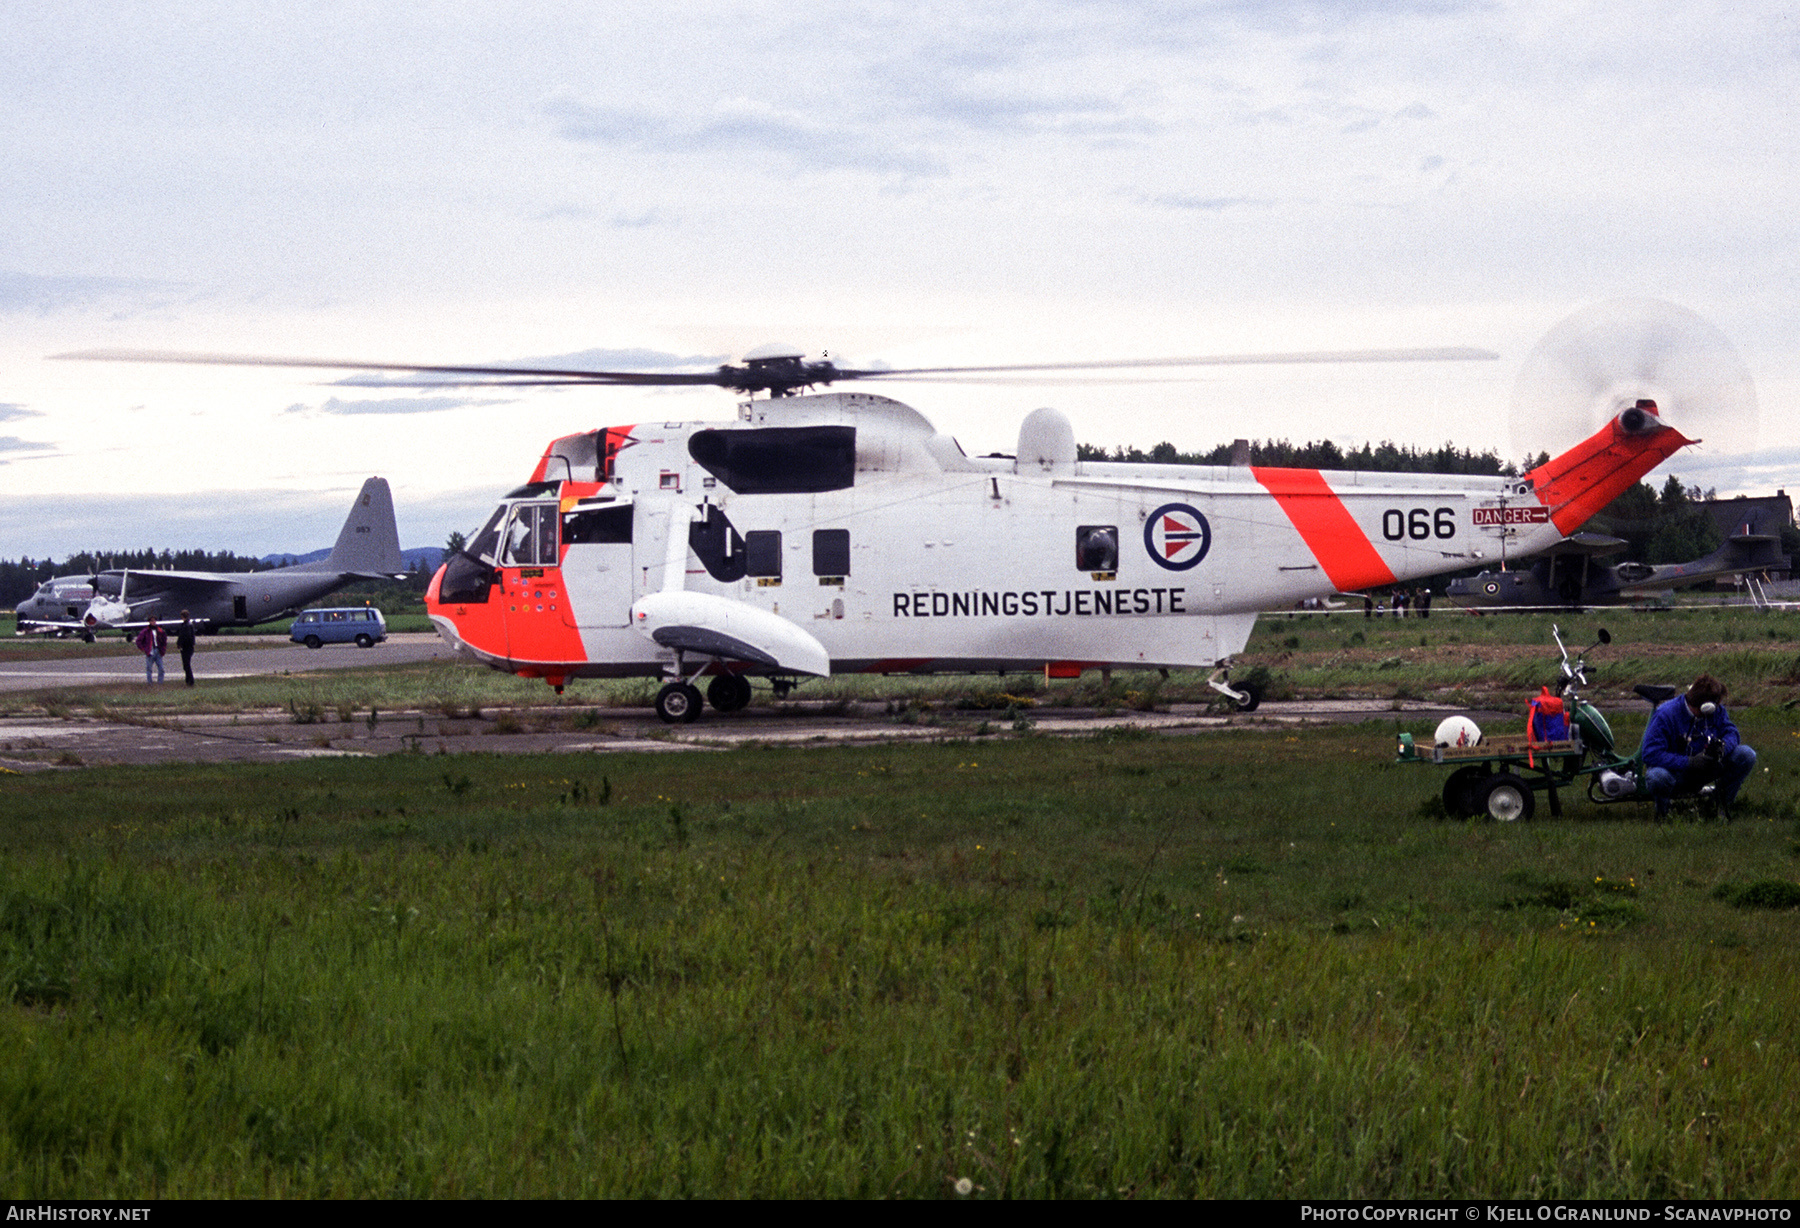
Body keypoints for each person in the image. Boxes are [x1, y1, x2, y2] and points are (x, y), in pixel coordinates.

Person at [1639, 674, 1756, 818]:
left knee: (1746, 755)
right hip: (1676, 773)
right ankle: (1664, 813)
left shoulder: (1717, 711)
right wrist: (1689, 762)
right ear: (1706, 707)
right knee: (1657, 777)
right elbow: (1650, 754)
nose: (1718, 707)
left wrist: (1723, 748)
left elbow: (1731, 732)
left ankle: (1718, 807)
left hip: (1707, 768)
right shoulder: (1665, 715)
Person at [135, 616, 167, 685]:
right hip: (150, 652)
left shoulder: (159, 630)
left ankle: (160, 682)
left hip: (158, 651)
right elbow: (138, 641)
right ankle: (150, 683)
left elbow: (164, 640)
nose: (153, 622)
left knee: (161, 668)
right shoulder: (145, 631)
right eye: (152, 621)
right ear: (149, 622)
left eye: (154, 621)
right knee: (149, 669)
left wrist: (163, 649)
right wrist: (143, 649)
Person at [176, 611, 197, 687]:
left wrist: (180, 643)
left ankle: (190, 680)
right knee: (186, 665)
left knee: (186, 665)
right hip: (189, 647)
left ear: (182, 616)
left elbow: (184, 636)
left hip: (186, 647)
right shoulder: (189, 624)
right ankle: (188, 680)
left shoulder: (186, 625)